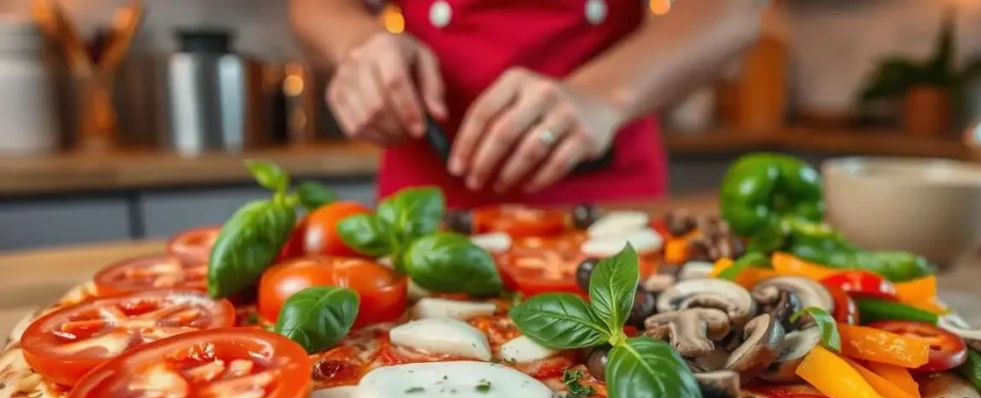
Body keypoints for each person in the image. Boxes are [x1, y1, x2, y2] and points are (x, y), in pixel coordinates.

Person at [290, 0, 765, 208]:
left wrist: (603, 95)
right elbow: (315, 4)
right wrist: (357, 43)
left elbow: (730, 10)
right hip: (423, 195)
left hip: (608, 194)